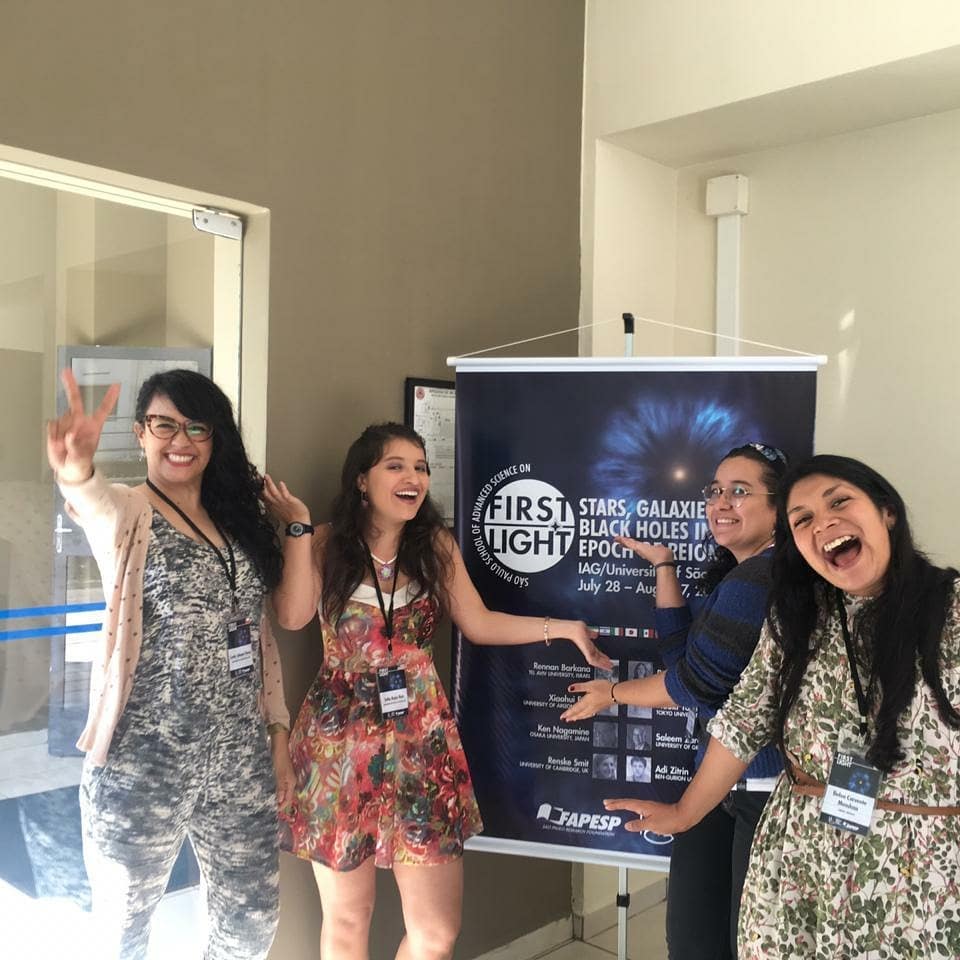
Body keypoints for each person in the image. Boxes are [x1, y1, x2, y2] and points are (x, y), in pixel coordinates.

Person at [263, 422, 610, 960]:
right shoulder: (326, 543)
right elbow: (292, 614)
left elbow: (480, 622)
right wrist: (299, 530)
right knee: (348, 919)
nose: (413, 477)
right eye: (396, 465)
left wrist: (559, 627)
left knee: (437, 932)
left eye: (421, 467)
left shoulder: (436, 546)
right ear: (362, 480)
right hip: (339, 747)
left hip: (421, 744)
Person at [605, 455, 960, 958]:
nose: (824, 523)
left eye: (839, 502)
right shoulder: (795, 616)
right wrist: (684, 814)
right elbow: (743, 721)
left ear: (887, 512)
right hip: (799, 858)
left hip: (922, 869)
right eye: (804, 520)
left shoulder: (953, 612)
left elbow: (692, 683)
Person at [47, 368, 294, 960]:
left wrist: (278, 731)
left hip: (239, 760)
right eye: (163, 424)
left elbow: (260, 639)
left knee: (250, 925)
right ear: (140, 433)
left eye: (195, 427)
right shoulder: (129, 513)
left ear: (214, 439)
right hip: (142, 765)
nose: (179, 439)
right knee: (123, 933)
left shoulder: (237, 527)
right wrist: (75, 469)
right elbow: (91, 503)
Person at [562, 442, 788, 960]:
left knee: (739, 939)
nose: (721, 503)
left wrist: (611, 694)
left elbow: (691, 685)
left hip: (765, 786)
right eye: (714, 491)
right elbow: (683, 655)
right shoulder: (738, 574)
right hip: (720, 778)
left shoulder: (761, 579)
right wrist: (664, 566)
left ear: (779, 508)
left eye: (740, 491)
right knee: (697, 934)